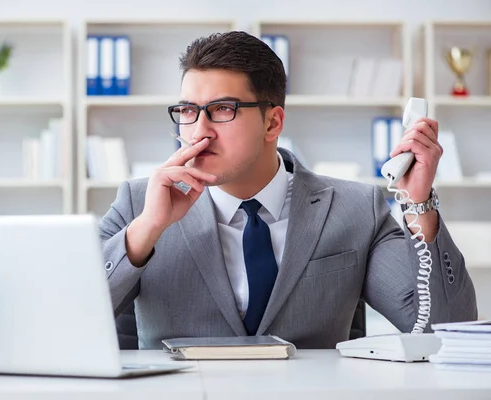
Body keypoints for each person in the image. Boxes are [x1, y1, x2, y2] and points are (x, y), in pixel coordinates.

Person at [99, 31, 477, 349]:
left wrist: (420, 205)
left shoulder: (355, 208)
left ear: (272, 122)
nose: (198, 131)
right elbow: (66, 318)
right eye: (187, 111)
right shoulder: (138, 204)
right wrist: (145, 231)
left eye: (222, 109)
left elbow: (444, 331)